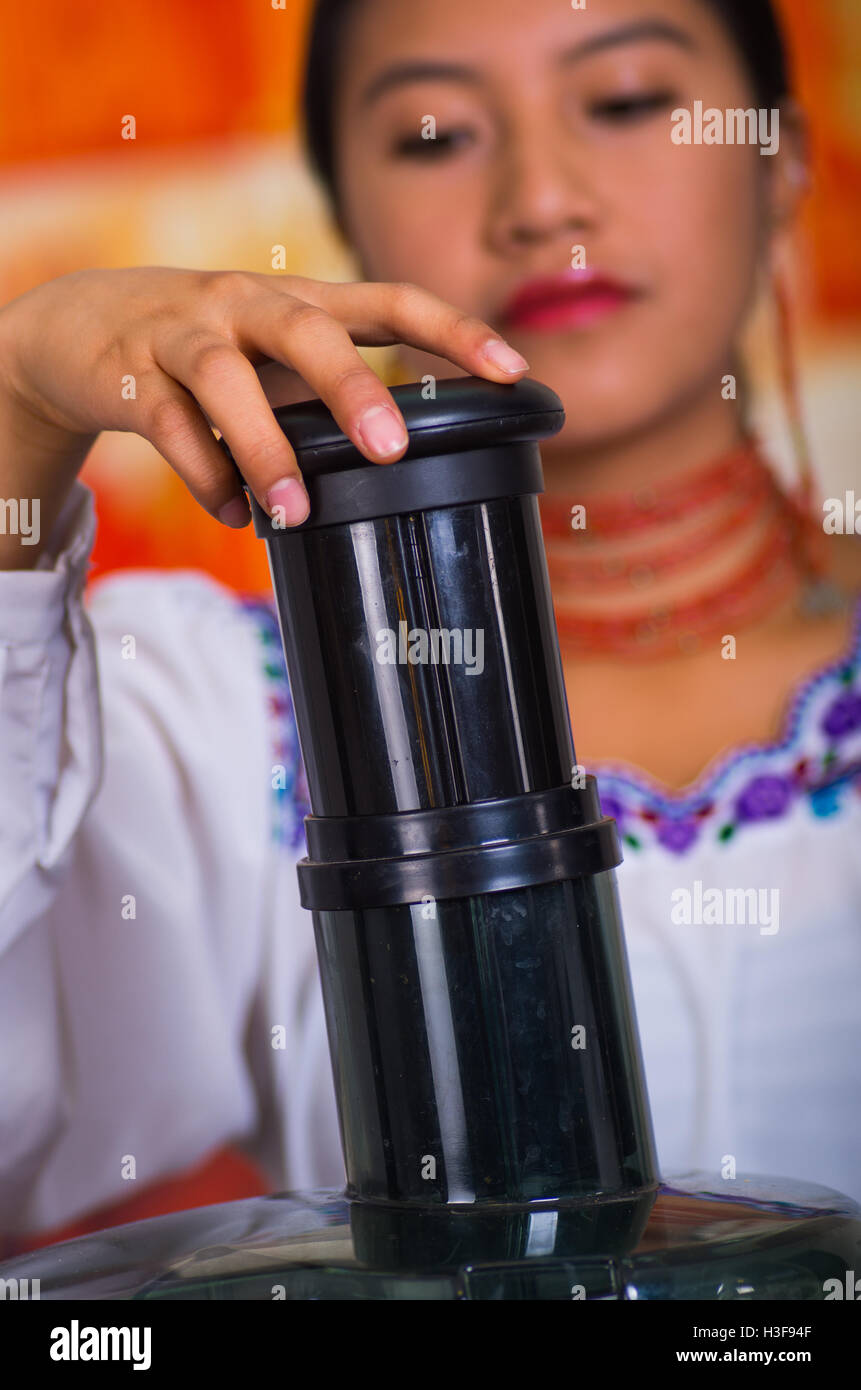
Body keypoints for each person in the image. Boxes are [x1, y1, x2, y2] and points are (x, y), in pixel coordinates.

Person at [0, 0, 859, 1257]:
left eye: (624, 100)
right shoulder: (214, 708)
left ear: (780, 156)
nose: (542, 198)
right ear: (342, 210)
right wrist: (18, 414)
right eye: (433, 132)